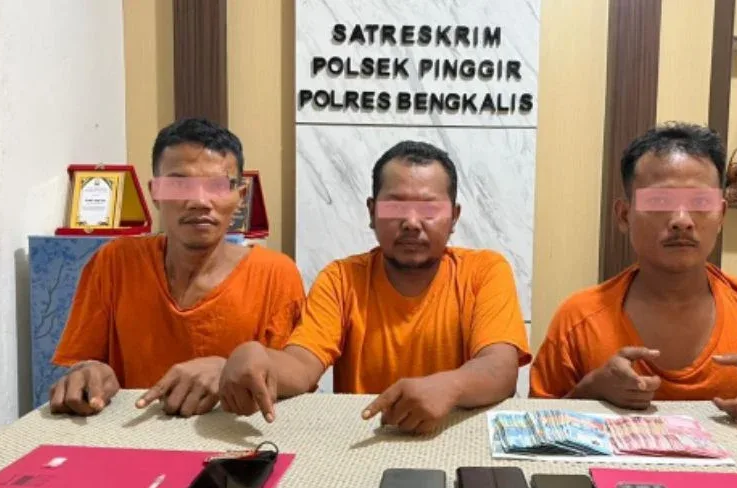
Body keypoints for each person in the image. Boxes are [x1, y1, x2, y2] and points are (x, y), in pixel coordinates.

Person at [530, 122, 737, 450]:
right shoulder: (579, 317)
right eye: (660, 201)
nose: (682, 220)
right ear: (624, 215)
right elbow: (532, 438)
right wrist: (591, 391)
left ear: (721, 214)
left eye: (700, 202)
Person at [218, 140, 530, 434]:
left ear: (454, 217)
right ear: (371, 212)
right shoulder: (341, 279)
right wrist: (257, 359)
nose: (411, 222)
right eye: (395, 207)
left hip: (458, 436)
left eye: (429, 209)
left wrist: (450, 387)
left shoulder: (484, 271)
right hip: (364, 439)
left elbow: (500, 367)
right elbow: (302, 365)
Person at [48, 118, 305, 418]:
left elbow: (294, 378)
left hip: (231, 434)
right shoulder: (115, 262)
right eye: (179, 185)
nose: (199, 201)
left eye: (217, 186)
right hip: (131, 431)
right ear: (155, 193)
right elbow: (82, 362)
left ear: (241, 197)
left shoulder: (274, 274)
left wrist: (227, 369)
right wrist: (88, 373)